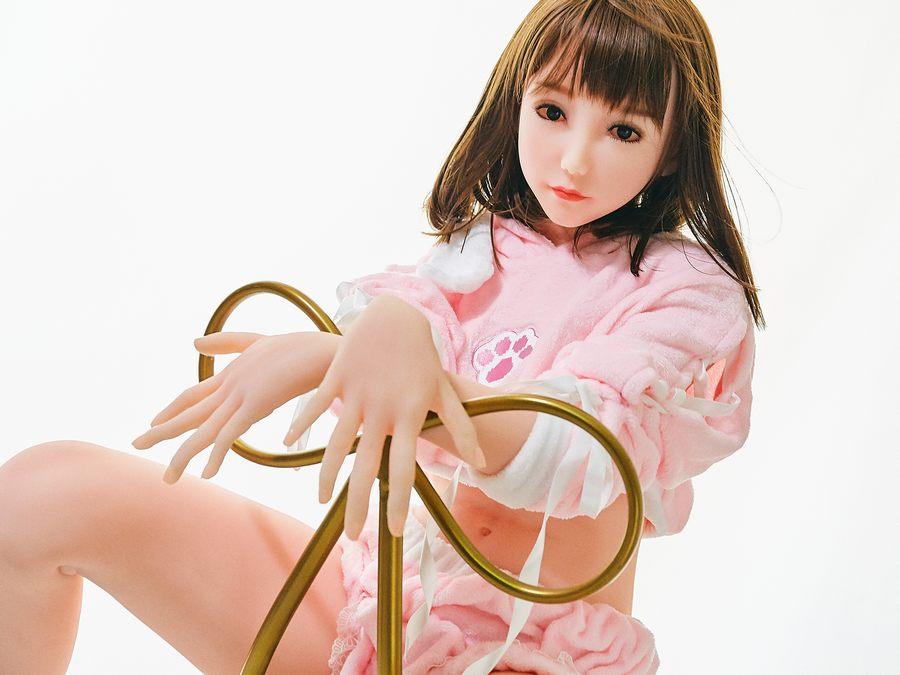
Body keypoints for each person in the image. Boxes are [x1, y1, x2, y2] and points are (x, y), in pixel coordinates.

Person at [0, 0, 764, 673]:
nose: (573, 159)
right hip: (373, 606)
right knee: (42, 494)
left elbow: (581, 450)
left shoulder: (687, 293)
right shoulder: (473, 255)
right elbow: (384, 368)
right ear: (515, 103)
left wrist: (374, 368)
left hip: (530, 653)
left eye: (623, 130)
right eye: (552, 110)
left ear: (673, 146)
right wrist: (364, 352)